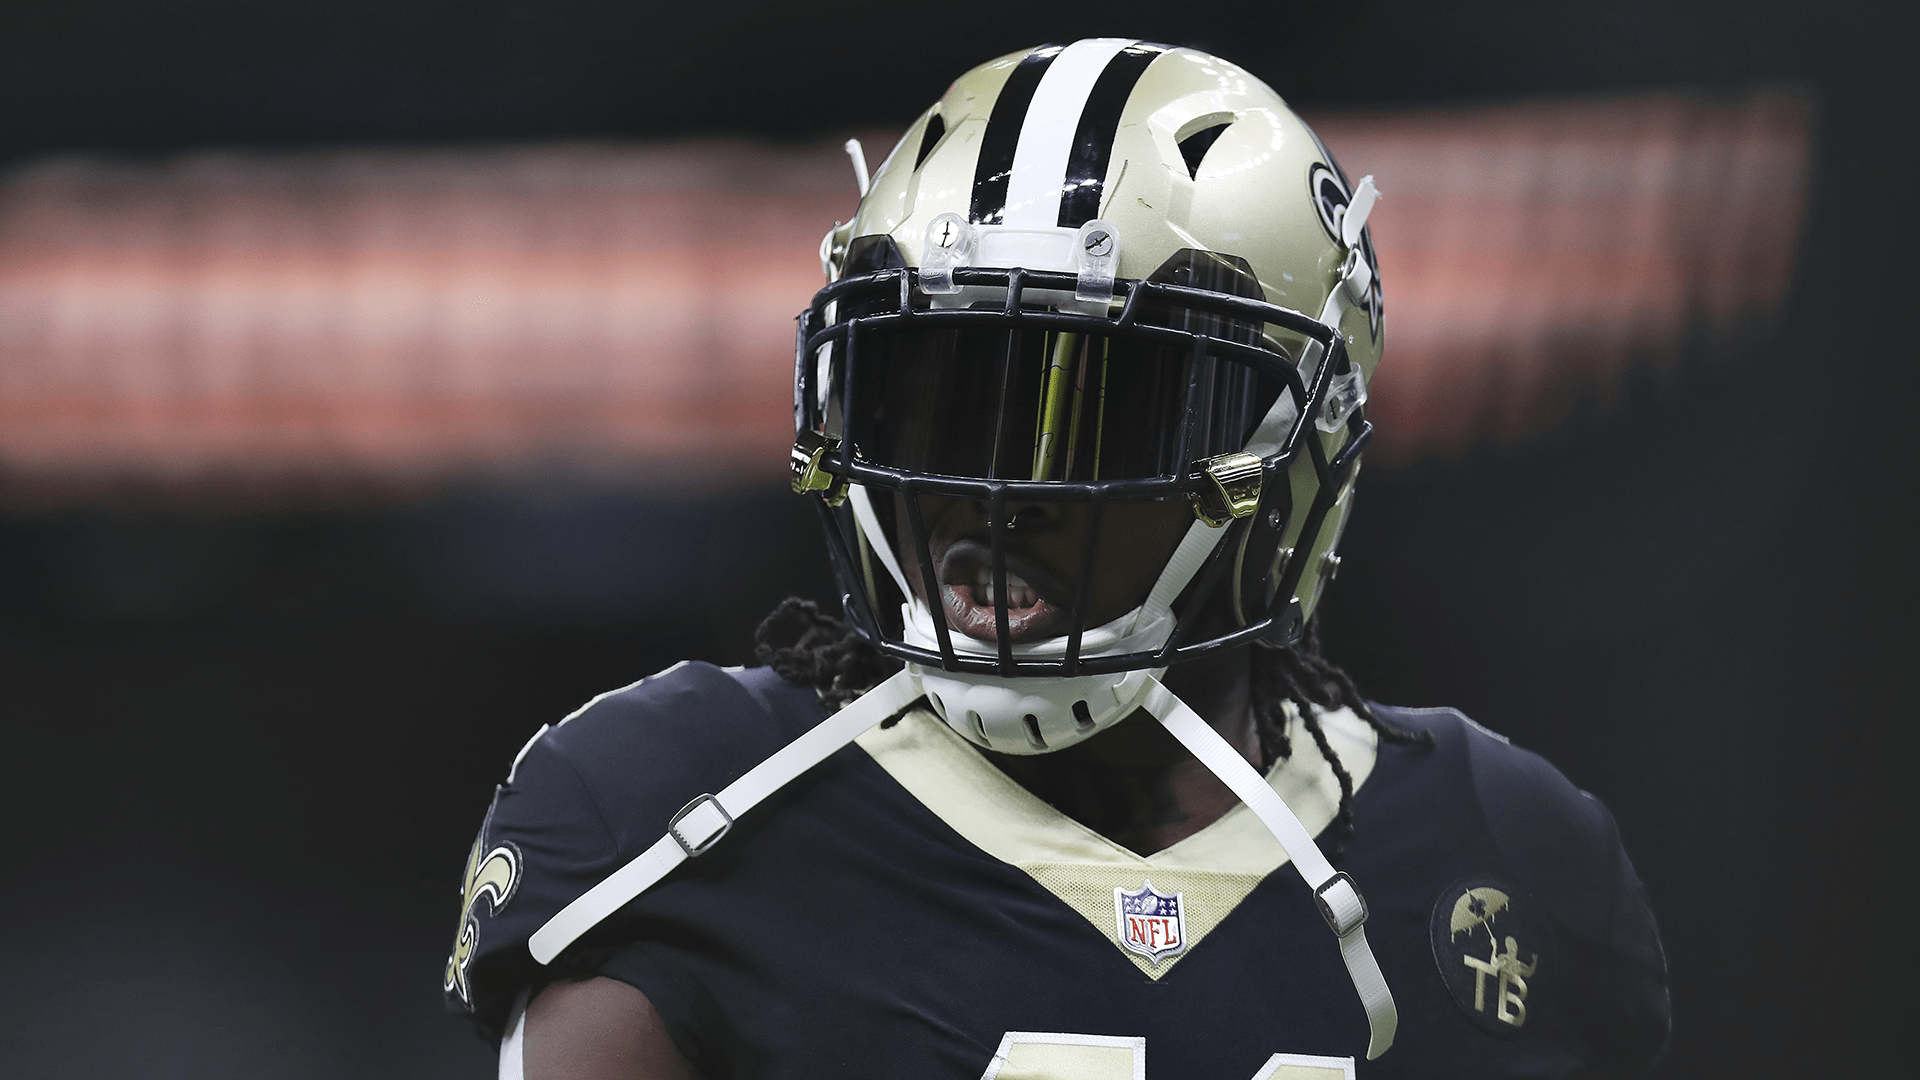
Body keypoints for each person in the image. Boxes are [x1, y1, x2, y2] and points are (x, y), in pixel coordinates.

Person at [443, 39, 1671, 1079]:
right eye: (937, 402)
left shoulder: (1510, 849)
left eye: (1115, 418)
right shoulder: (674, 815)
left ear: (1298, 455)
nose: (1000, 493)